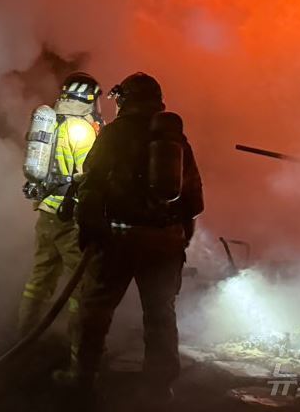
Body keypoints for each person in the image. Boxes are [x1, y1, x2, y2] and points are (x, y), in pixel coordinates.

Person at [72, 72, 203, 403]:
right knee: (160, 315)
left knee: (95, 312)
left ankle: (84, 381)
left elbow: (91, 186)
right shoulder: (176, 140)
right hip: (163, 244)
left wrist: (90, 233)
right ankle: (160, 389)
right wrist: (178, 237)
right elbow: (194, 201)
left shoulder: (114, 135)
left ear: (125, 100)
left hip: (118, 241)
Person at [18, 72, 103, 380]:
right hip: (70, 220)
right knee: (81, 288)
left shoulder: (51, 122)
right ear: (90, 99)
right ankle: (78, 363)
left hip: (46, 213)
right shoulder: (82, 130)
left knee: (38, 281)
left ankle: (21, 346)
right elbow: (88, 177)